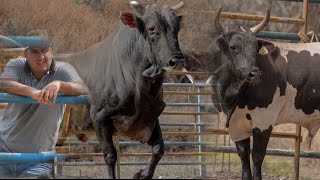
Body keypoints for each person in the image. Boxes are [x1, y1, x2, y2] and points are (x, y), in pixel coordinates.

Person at [0, 30, 88, 178]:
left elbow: (83, 88)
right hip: (4, 151)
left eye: (44, 50)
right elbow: (3, 83)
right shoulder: (16, 65)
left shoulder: (63, 69)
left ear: (51, 51)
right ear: (25, 54)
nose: (41, 57)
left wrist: (58, 84)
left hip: (39, 159)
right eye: (34, 52)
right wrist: (33, 92)